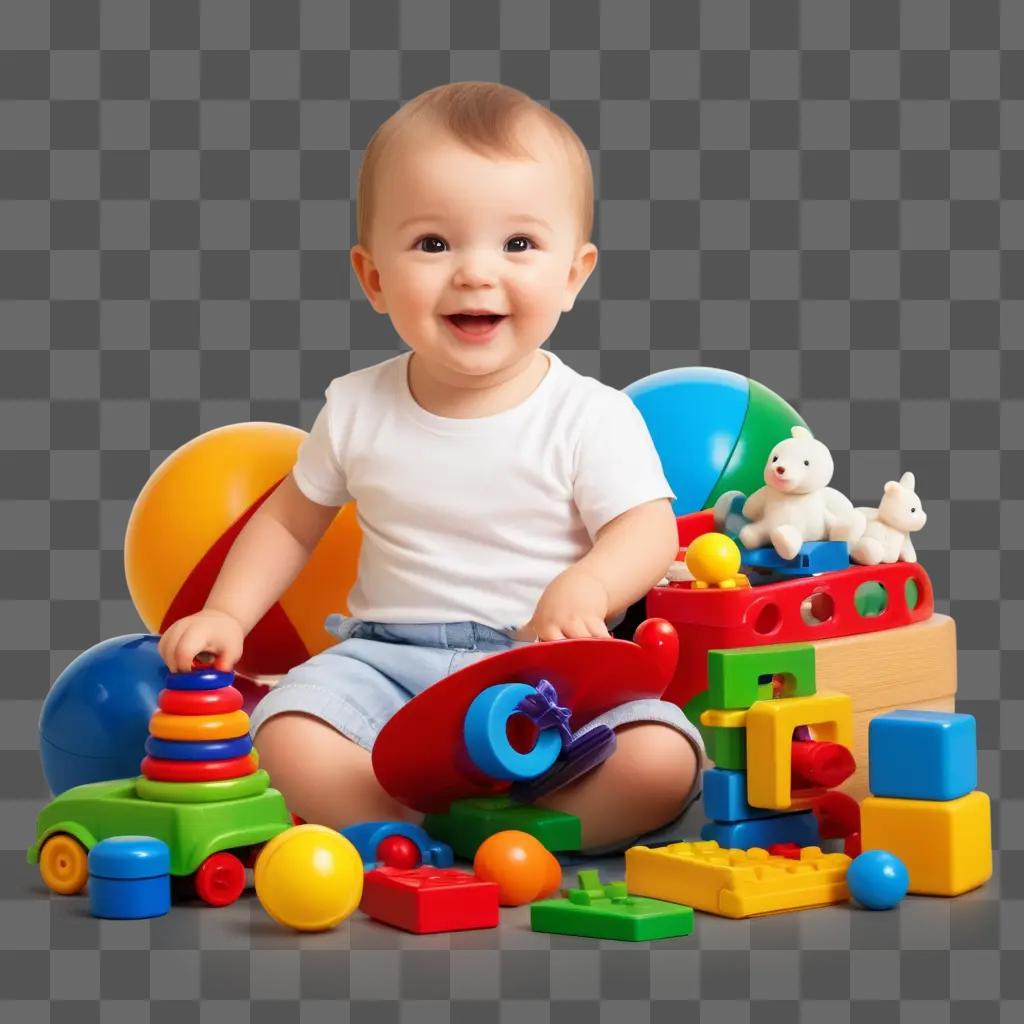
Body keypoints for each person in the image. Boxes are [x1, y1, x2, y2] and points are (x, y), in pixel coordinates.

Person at [158, 82, 705, 852]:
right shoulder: (356, 407)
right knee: (281, 735)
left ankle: (521, 830)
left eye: (517, 245)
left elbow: (647, 531)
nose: (475, 273)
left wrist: (589, 586)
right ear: (374, 277)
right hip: (386, 664)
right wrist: (228, 614)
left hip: (549, 671)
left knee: (662, 760)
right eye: (433, 244)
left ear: (574, 275)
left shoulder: (590, 414)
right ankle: (412, 829)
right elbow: (288, 520)